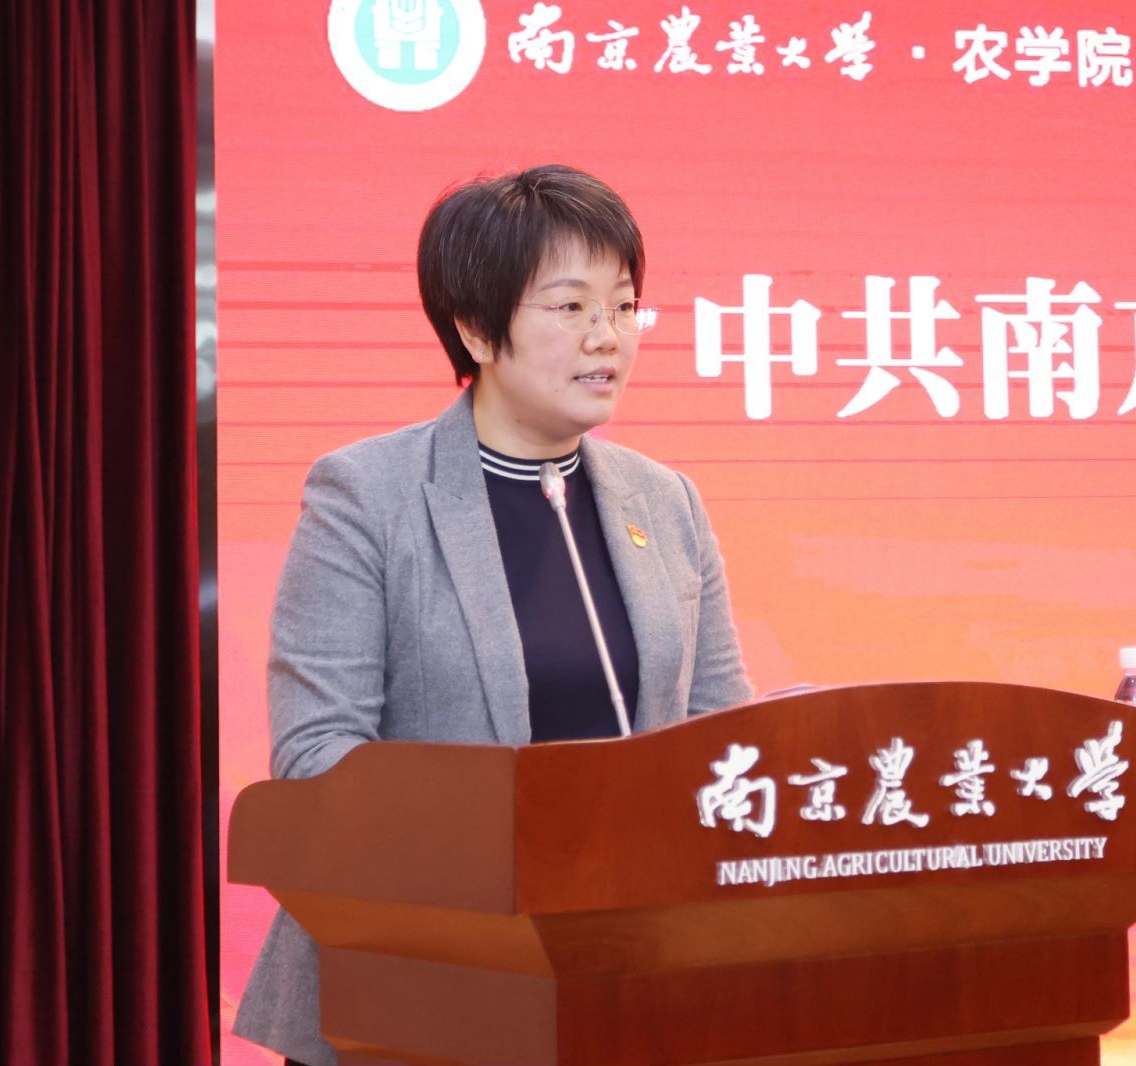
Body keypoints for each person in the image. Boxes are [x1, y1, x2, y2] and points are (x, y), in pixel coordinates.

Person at [232, 164, 752, 1066]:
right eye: (571, 306)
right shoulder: (367, 495)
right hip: (407, 991)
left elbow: (726, 737)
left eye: (625, 306)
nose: (608, 336)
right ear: (475, 328)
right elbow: (317, 758)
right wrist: (518, 844)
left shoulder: (665, 502)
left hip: (621, 987)